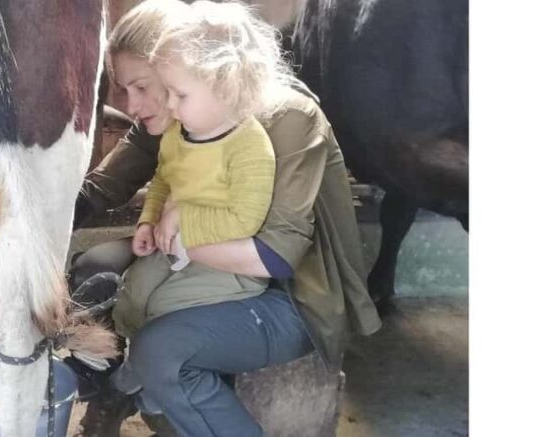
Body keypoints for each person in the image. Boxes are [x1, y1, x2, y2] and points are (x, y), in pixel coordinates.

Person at [70, 1, 382, 436]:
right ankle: (131, 397)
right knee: (94, 267)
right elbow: (111, 182)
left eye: (142, 87)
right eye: (125, 90)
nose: (132, 105)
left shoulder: (285, 119)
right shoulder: (179, 114)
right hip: (207, 250)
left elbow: (277, 255)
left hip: (289, 288)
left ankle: (141, 394)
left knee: (163, 339)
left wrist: (179, 232)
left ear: (182, 67)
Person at [112, 2, 280, 340]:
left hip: (226, 263)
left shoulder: (250, 145)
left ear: (219, 83)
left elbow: (246, 221)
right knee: (132, 292)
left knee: (163, 306)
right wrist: (149, 219)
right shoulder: (177, 133)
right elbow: (162, 178)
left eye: (178, 94)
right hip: (173, 245)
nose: (172, 105)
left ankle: (147, 361)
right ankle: (125, 353)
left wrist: (183, 217)